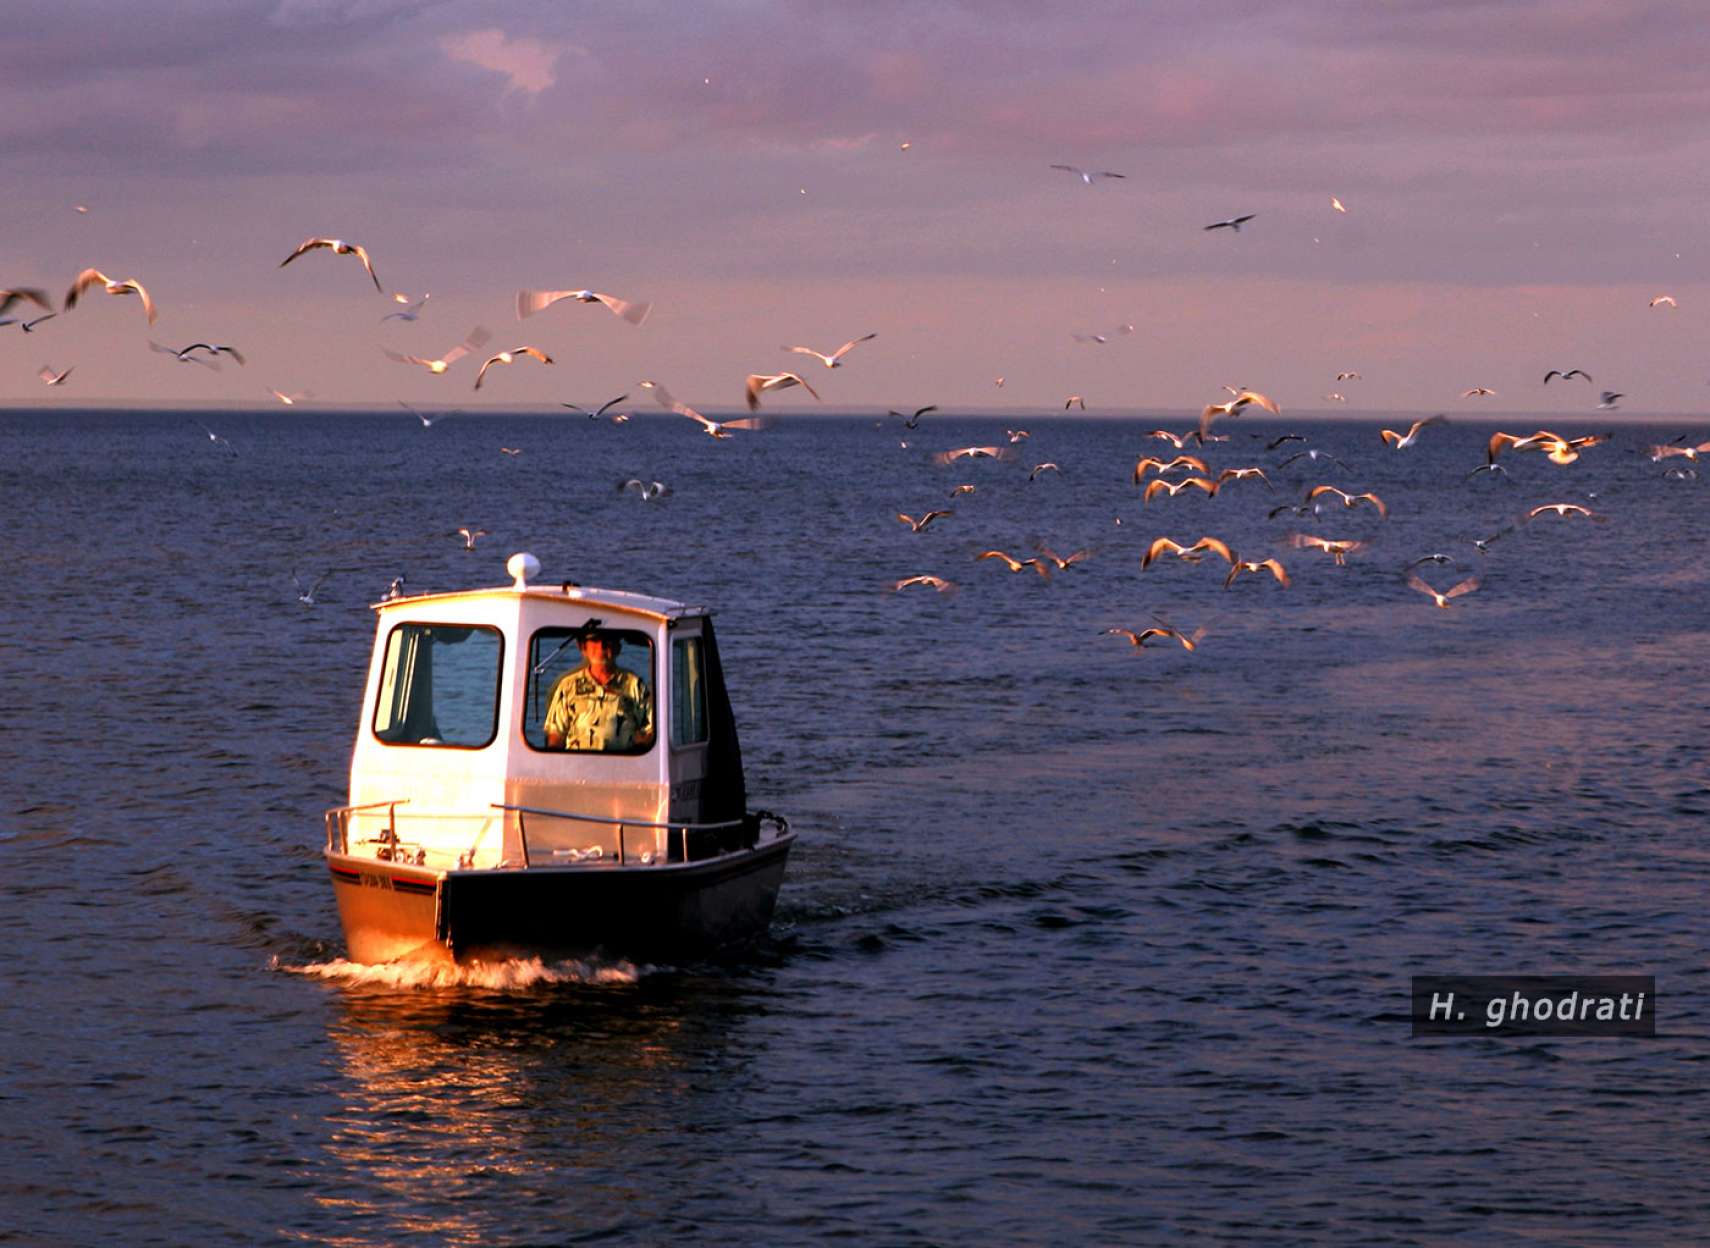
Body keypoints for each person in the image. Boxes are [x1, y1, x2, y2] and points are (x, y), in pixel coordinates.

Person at [543, 630, 654, 751]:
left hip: (623, 766)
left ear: (618, 647)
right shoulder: (567, 685)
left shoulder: (635, 685)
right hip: (577, 765)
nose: (601, 646)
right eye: (595, 640)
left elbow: (651, 730)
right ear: (582, 647)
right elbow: (555, 734)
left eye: (608, 640)